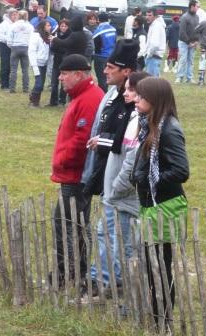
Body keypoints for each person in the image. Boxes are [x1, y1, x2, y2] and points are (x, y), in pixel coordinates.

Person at [80, 39, 140, 291]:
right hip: (106, 174)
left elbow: (129, 145)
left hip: (121, 182)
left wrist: (104, 142)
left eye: (111, 67)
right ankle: (101, 276)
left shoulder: (134, 102)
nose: (104, 71)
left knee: (118, 235)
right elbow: (100, 129)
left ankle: (112, 280)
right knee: (104, 230)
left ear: (126, 71)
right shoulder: (112, 94)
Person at [130, 77, 189, 327]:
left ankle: (162, 321)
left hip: (165, 205)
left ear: (154, 100)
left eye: (140, 97)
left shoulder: (169, 129)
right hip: (151, 205)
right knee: (151, 264)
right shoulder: (150, 124)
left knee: (161, 266)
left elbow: (181, 170)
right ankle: (156, 316)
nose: (135, 99)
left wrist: (148, 179)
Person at [51, 54, 104, 288]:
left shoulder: (89, 98)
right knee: (75, 221)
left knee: (68, 222)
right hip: (73, 172)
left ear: (78, 74)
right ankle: (75, 271)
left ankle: (69, 273)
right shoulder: (81, 95)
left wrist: (62, 160)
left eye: (64, 73)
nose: (60, 78)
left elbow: (83, 139)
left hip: (76, 174)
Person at [7, 10, 34, 93]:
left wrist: (11, 46)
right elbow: (32, 38)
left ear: (18, 16)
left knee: (13, 70)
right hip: (26, 47)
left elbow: (9, 38)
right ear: (26, 16)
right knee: (25, 70)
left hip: (15, 47)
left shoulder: (13, 25)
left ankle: (12, 88)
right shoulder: (30, 26)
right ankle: (25, 89)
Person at [47, 18, 71, 106]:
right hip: (56, 61)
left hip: (65, 62)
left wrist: (59, 43)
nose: (63, 28)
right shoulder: (55, 35)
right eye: (62, 26)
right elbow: (53, 49)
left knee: (64, 83)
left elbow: (67, 47)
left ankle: (62, 100)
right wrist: (53, 42)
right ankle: (53, 101)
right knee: (54, 82)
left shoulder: (70, 36)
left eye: (65, 26)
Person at [28, 19, 52, 107]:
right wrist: (34, 65)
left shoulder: (47, 37)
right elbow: (32, 51)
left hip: (44, 63)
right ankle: (32, 101)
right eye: (48, 25)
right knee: (39, 84)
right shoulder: (35, 36)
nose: (50, 27)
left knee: (41, 84)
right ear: (43, 27)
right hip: (37, 63)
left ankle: (36, 101)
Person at [175, 0, 199, 84]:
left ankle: (189, 78)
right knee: (183, 59)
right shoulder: (184, 17)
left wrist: (196, 41)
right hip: (183, 43)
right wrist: (189, 42)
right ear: (192, 6)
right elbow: (182, 32)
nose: (198, 8)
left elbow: (197, 30)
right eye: (197, 6)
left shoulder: (197, 17)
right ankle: (179, 77)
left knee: (190, 60)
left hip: (193, 43)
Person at [92, 13, 117, 92]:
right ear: (107, 19)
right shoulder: (113, 29)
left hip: (100, 57)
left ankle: (102, 96)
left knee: (101, 78)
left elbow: (96, 46)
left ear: (98, 20)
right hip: (110, 57)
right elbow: (115, 42)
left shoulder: (98, 31)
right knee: (107, 77)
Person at [0, 8, 18, 91]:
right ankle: (4, 84)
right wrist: (8, 39)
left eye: (16, 14)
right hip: (4, 46)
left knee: (11, 65)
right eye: (13, 15)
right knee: (5, 64)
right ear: (10, 15)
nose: (15, 16)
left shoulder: (16, 24)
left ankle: (9, 83)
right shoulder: (4, 24)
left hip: (13, 46)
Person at [144, 8, 166, 77]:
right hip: (153, 57)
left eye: (150, 15)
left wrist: (149, 54)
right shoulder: (154, 24)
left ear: (155, 16)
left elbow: (155, 44)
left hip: (153, 57)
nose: (147, 17)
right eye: (146, 15)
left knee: (151, 83)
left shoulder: (156, 26)